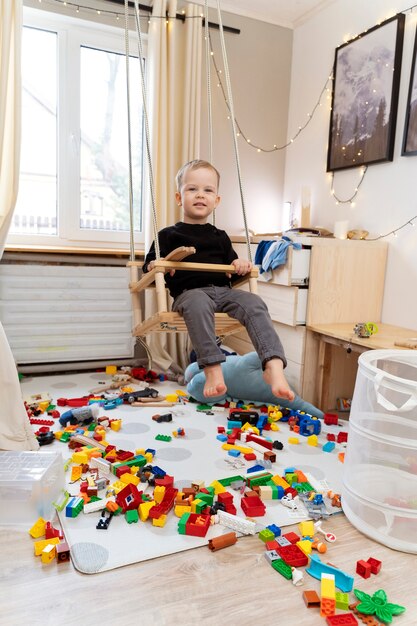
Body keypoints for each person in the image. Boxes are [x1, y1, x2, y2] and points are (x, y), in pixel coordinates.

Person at [143, 159, 295, 401]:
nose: (200, 195)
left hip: (224, 293)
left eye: (208, 190)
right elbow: (148, 268)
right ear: (179, 197)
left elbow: (232, 268)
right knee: (198, 302)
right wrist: (156, 266)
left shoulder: (221, 237)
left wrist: (240, 265)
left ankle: (273, 366)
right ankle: (213, 369)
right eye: (192, 189)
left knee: (254, 303)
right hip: (189, 294)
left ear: (217, 200)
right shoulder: (168, 235)